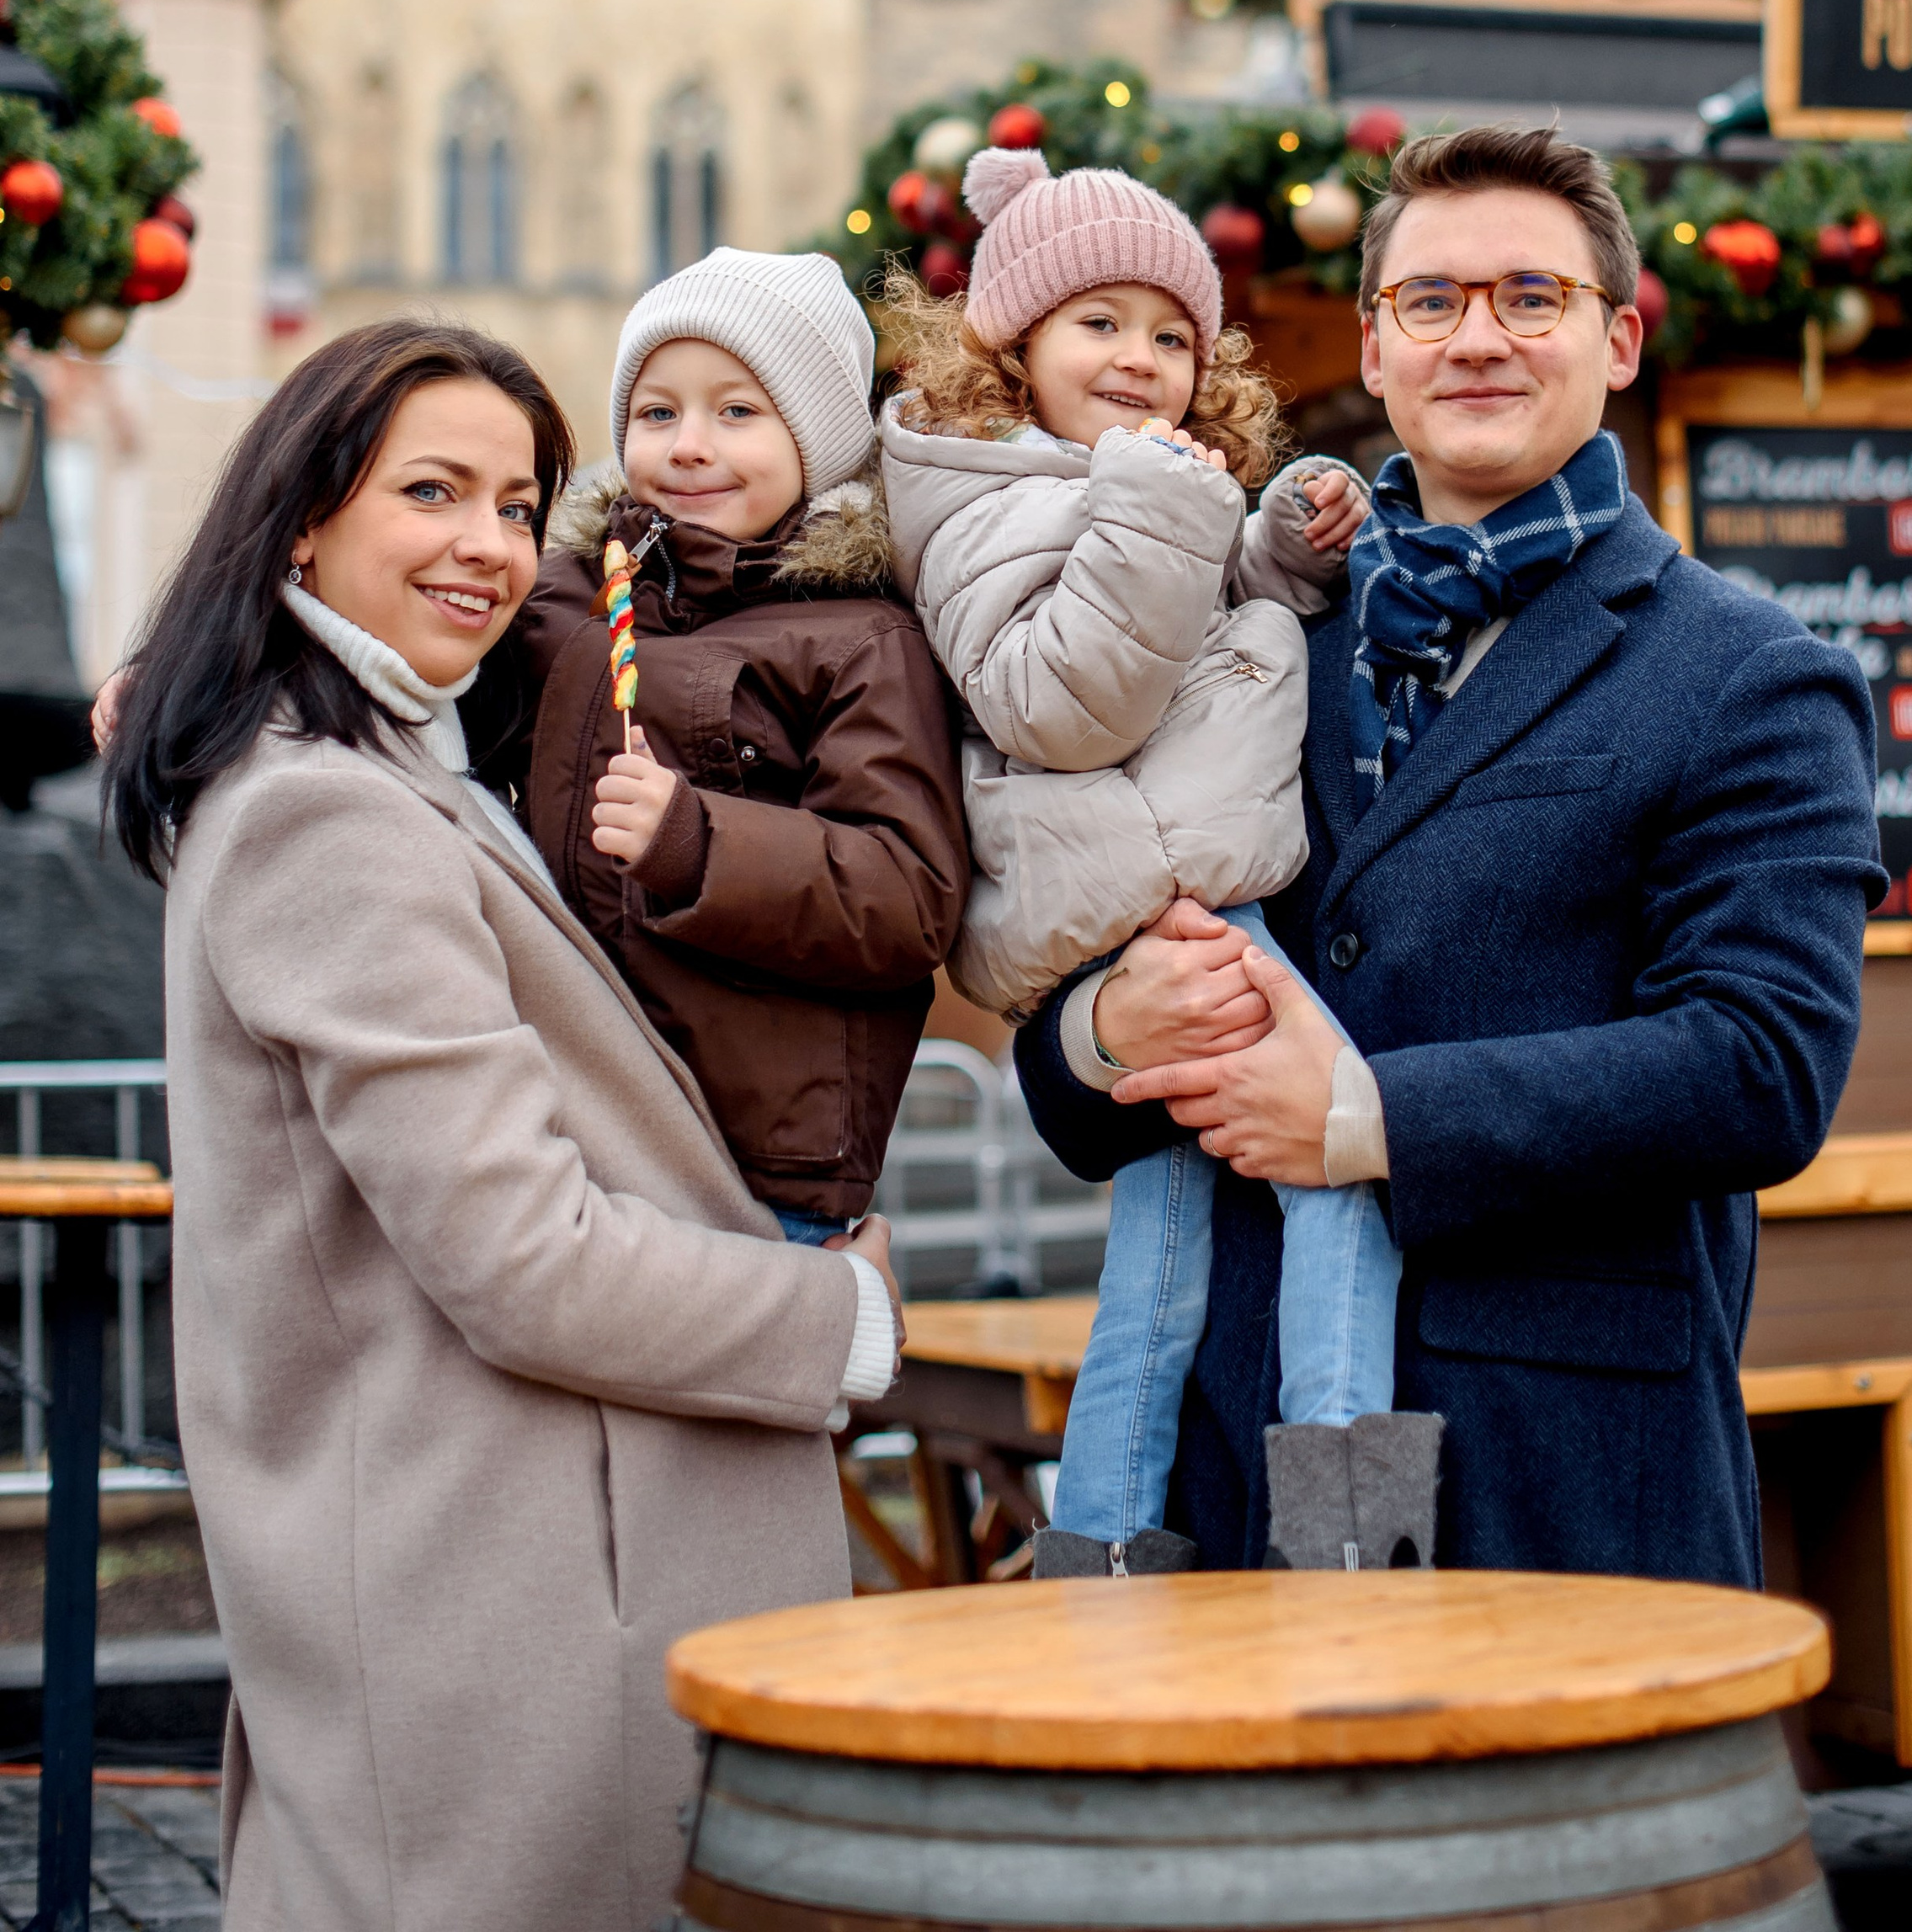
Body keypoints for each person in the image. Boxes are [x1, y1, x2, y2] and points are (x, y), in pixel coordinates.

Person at [105, 320, 905, 1932]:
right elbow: (521, 1257)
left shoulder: (390, 763)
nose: (485, 543)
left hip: (521, 1583)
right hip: (513, 1605)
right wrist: (842, 1317)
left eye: (518, 501)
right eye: (434, 491)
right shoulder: (327, 811)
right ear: (304, 519)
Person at [1015, 125, 1884, 1583]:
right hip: (1234, 1483)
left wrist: (1366, 1119)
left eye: (1528, 299)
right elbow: (1070, 1076)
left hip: (1567, 1493)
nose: (1476, 338)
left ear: (1616, 341)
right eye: (1432, 302)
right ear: (1373, 349)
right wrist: (1105, 1030)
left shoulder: (1752, 674)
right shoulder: (1244, 630)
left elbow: (1761, 1066)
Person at [880, 146, 1436, 1582]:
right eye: (1098, 324)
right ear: (1011, 342)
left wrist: (1284, 547)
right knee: (1337, 1179)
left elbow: (1181, 619)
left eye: (1172, 334)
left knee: (1167, 1247)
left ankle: (1107, 1537)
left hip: (1163, 882)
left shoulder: (1106, 483)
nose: (1140, 359)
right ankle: (1350, 1543)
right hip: (1164, 888)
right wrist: (1172, 509)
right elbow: (1070, 697)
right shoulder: (980, 492)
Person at [516, 247, 970, 1237]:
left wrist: (697, 840)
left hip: (754, 1157)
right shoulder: (568, 600)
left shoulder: (858, 636)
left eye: (737, 412)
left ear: (813, 439)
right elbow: (406, 666)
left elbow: (906, 897)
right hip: (575, 1126)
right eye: (657, 411)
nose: (688, 444)